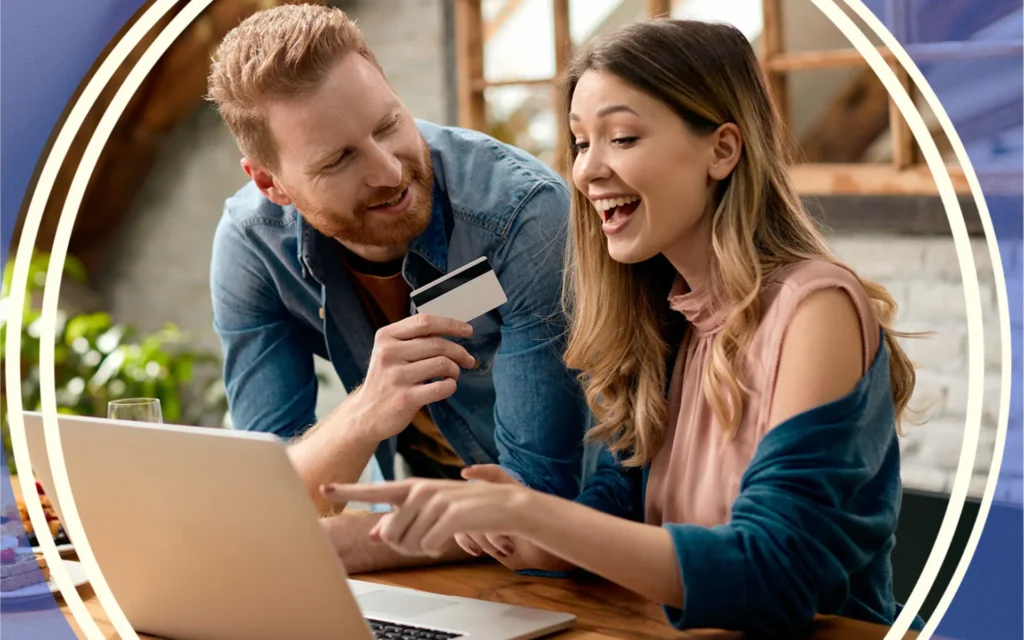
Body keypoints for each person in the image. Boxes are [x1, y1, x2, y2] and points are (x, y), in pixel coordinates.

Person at [322, 17, 928, 637]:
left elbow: (774, 573)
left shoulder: (815, 307)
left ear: (722, 149)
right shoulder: (663, 318)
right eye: (581, 143)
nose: (587, 172)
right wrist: (519, 529)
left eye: (623, 138)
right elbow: (618, 513)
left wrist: (534, 513)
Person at [205, 4, 590, 573]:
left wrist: (338, 546)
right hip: (435, 554)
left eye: (388, 124)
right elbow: (271, 490)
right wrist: (366, 412)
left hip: (582, 556)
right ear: (270, 182)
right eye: (339, 159)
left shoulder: (520, 215)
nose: (389, 171)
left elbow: (538, 502)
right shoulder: (253, 245)